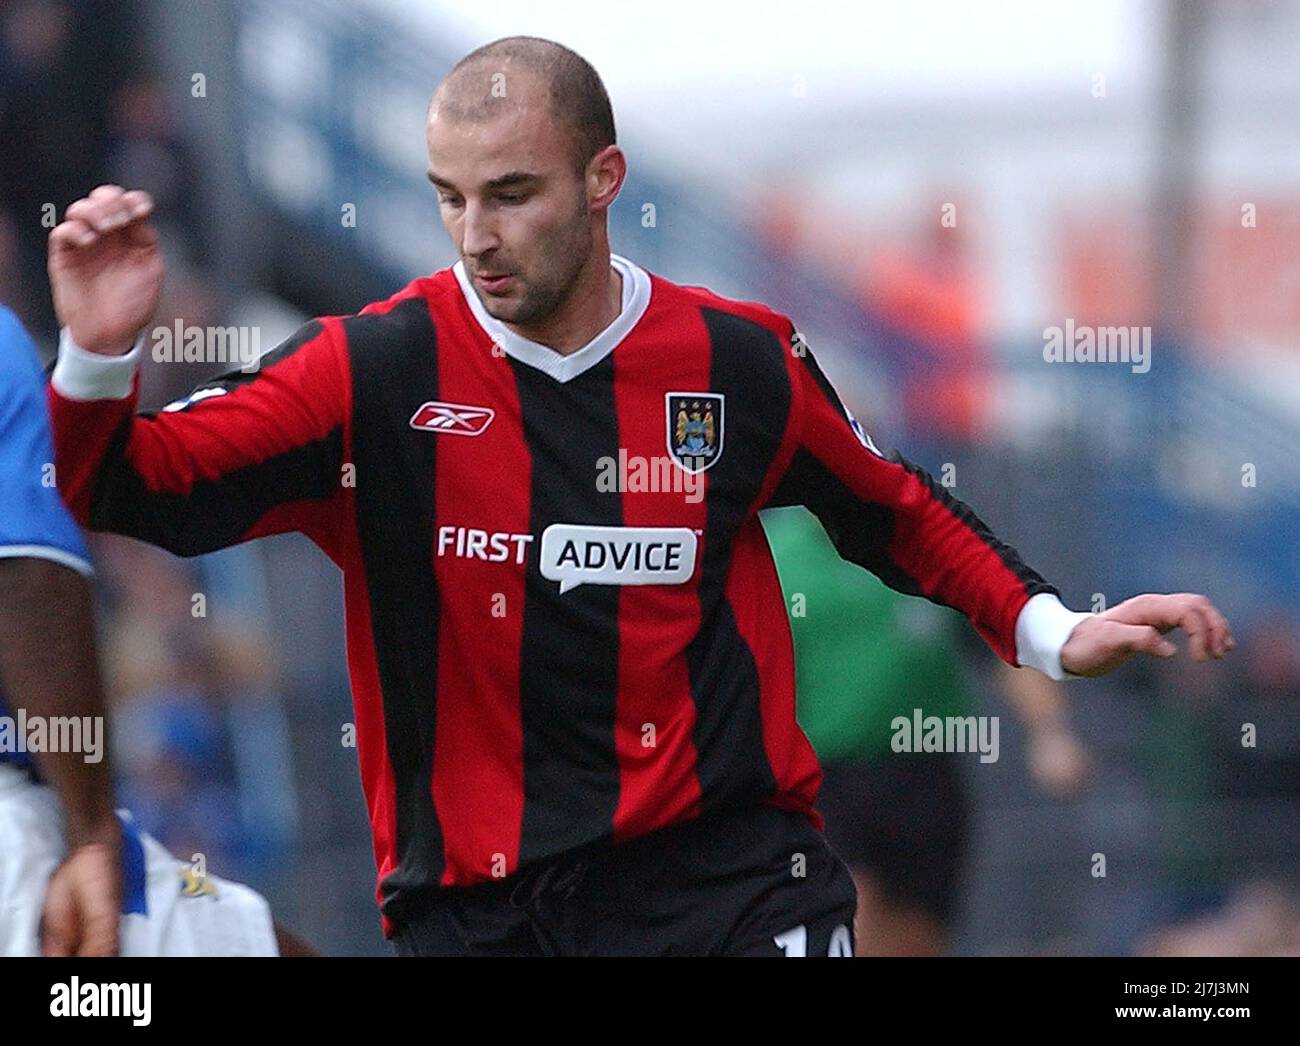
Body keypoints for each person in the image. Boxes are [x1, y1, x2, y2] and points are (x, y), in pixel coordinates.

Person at [44, 36, 1233, 957]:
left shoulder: (737, 361)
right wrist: (96, 358)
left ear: (603, 177)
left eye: (511, 192)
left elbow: (895, 508)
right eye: (450, 197)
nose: (476, 236)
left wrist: (1052, 627)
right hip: (484, 914)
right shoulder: (371, 372)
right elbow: (132, 485)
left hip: (723, 884)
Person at [0, 304, 282, 957]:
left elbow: (255, 667)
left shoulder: (203, 609)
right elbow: (24, 573)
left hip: (184, 819)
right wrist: (92, 830)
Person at [763, 505, 1090, 955]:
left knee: (919, 938)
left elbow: (1005, 641)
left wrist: (1051, 733)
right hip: (827, 780)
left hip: (925, 778)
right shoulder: (777, 554)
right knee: (852, 917)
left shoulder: (924, 539)